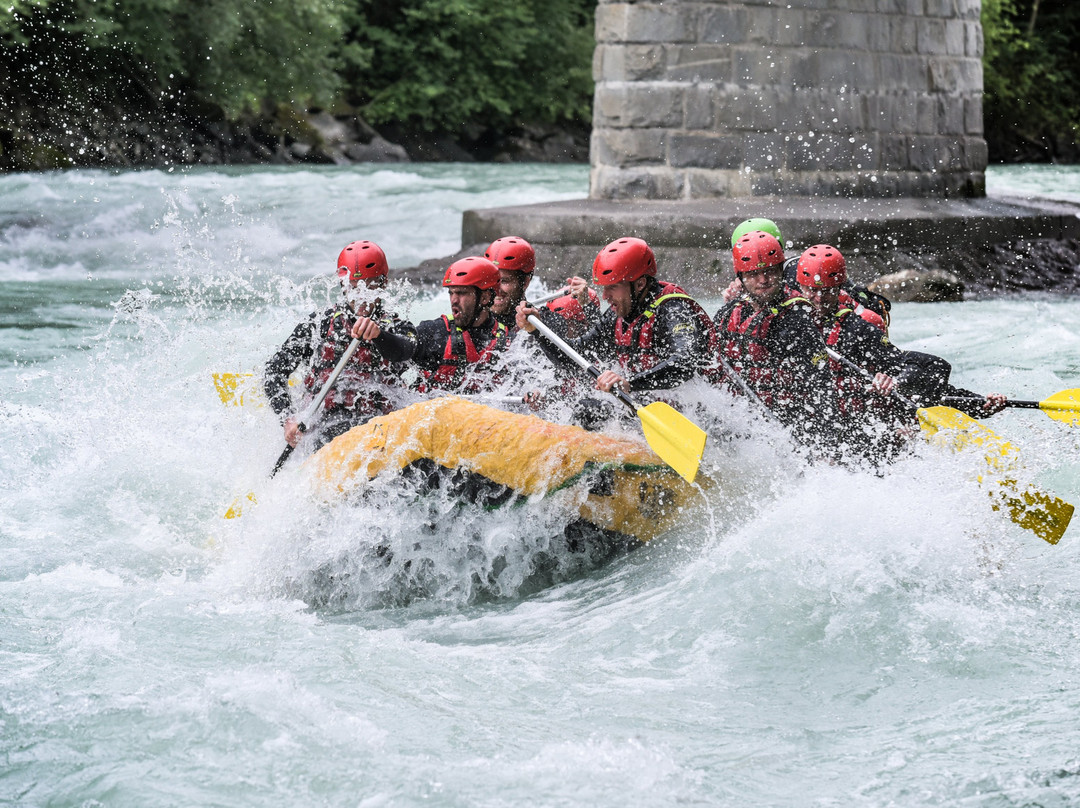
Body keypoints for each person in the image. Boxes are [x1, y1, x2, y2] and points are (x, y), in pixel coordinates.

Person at [795, 244, 1007, 424]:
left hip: (859, 424)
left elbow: (930, 370)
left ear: (839, 288)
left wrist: (981, 404)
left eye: (827, 291)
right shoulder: (789, 320)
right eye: (812, 290)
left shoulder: (858, 331)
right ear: (800, 287)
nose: (819, 299)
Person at [516, 236, 715, 414]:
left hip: (699, 413)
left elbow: (685, 363)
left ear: (639, 284)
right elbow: (575, 359)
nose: (604, 296)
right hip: (652, 407)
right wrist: (536, 330)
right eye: (604, 288)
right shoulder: (616, 316)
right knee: (586, 410)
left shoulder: (673, 309)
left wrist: (631, 383)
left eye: (612, 287)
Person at [264, 240, 415, 451]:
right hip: (324, 432)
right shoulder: (319, 324)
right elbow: (274, 371)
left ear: (383, 284)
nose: (360, 296)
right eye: (353, 287)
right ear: (343, 286)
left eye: (369, 285)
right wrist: (288, 419)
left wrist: (379, 335)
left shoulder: (396, 326)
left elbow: (405, 351)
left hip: (380, 433)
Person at [711, 231, 841, 453]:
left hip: (785, 430)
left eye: (770, 271)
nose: (763, 280)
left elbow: (821, 387)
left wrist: (825, 449)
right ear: (741, 276)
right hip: (738, 422)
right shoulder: (728, 313)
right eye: (754, 274)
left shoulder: (797, 320)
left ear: (781, 270)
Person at [352, 255, 511, 394]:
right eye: (451, 293)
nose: (454, 300)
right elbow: (402, 351)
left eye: (462, 293)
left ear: (484, 298)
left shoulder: (507, 343)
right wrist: (379, 336)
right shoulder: (434, 333)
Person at [721, 217, 892, 330]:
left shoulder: (797, 273)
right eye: (752, 272)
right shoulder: (797, 266)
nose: (762, 278)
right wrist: (738, 303)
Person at [486, 236, 535, 332]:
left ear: (525, 283)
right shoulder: (470, 320)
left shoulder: (541, 321)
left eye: (504, 281)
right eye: (490, 280)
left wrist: (534, 331)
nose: (495, 288)